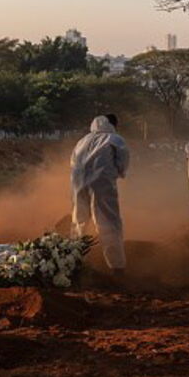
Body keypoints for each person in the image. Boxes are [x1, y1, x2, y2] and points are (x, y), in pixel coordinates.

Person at [71, 114, 130, 273]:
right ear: (113, 125)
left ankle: (73, 262)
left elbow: (72, 162)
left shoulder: (82, 141)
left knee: (80, 220)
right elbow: (123, 163)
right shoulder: (115, 139)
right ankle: (116, 266)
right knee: (108, 221)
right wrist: (117, 173)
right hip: (102, 182)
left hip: (78, 183)